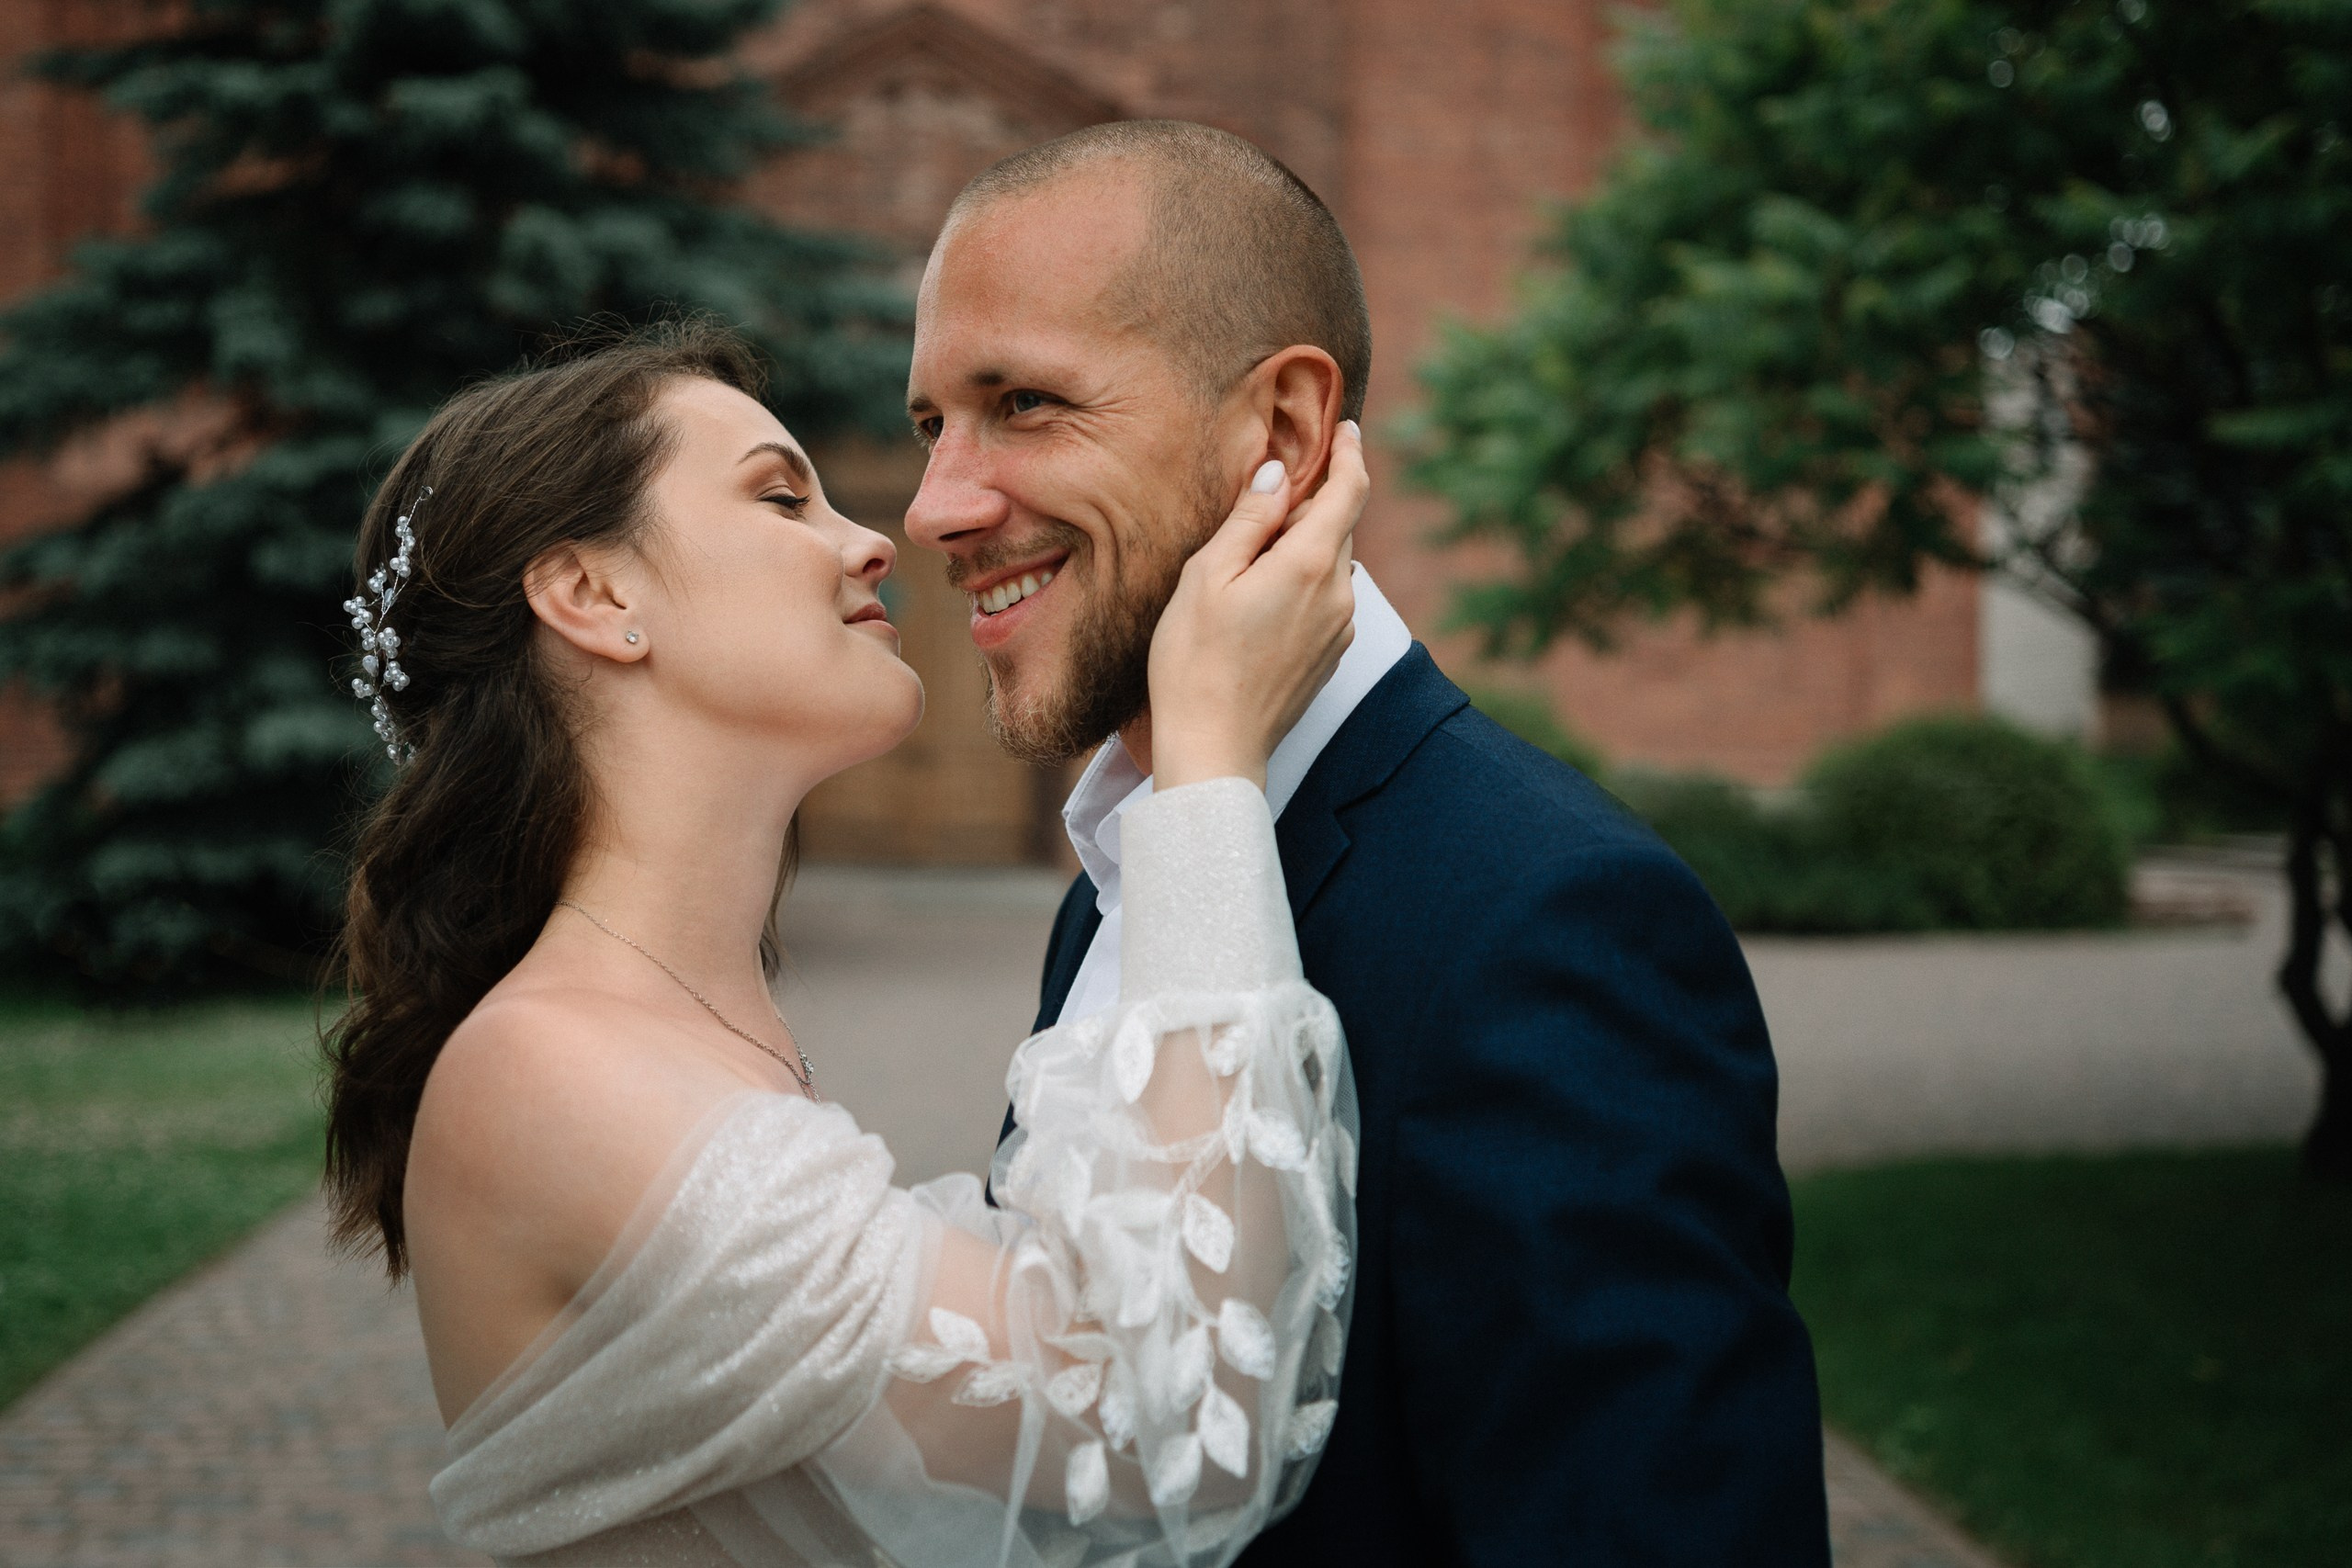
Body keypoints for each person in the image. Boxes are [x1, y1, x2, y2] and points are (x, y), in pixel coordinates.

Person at [905, 121, 1832, 1564]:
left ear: (1280, 432)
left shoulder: (1547, 927)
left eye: (1023, 403)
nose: (936, 506)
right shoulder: (1118, 881)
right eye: (929, 426)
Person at [320, 318, 1371, 1566]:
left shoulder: (676, 1030)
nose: (877, 537)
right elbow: (1167, 1423)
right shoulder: (547, 1075)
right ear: (597, 596)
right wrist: (1205, 766)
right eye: (781, 497)